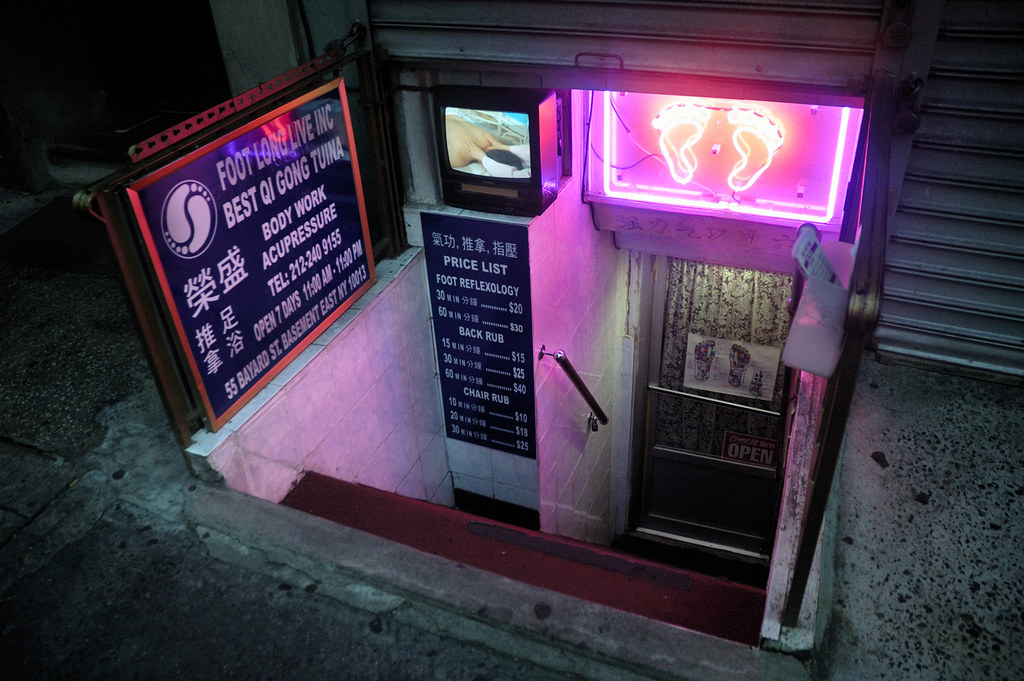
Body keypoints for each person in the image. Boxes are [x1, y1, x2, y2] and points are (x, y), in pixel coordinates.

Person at [445, 114, 531, 178]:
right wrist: (483, 158)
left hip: (450, 117)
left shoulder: (491, 139)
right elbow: (509, 174)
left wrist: (505, 147)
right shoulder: (460, 159)